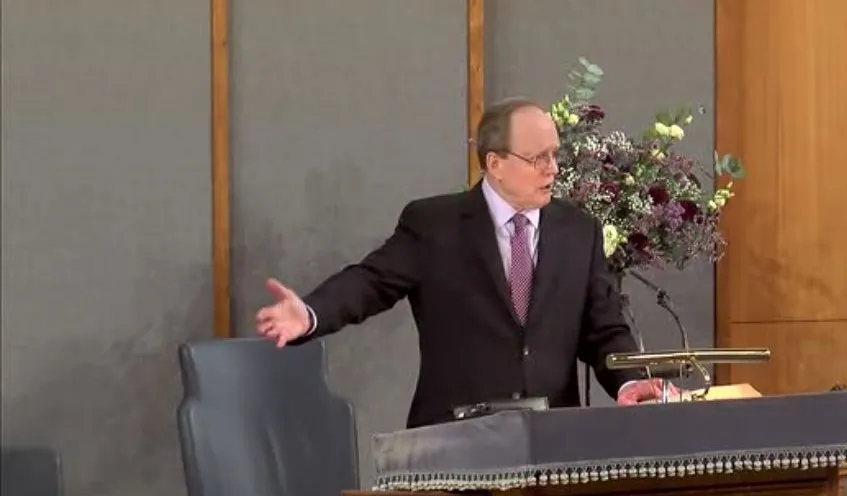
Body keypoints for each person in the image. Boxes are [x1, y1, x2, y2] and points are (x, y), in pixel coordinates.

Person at [256, 97, 673, 428]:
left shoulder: (579, 232)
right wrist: (310, 313)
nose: (554, 169)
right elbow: (370, 283)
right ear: (495, 164)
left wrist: (631, 381)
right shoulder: (434, 225)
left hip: (552, 445)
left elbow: (604, 329)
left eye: (555, 154)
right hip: (453, 442)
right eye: (538, 158)